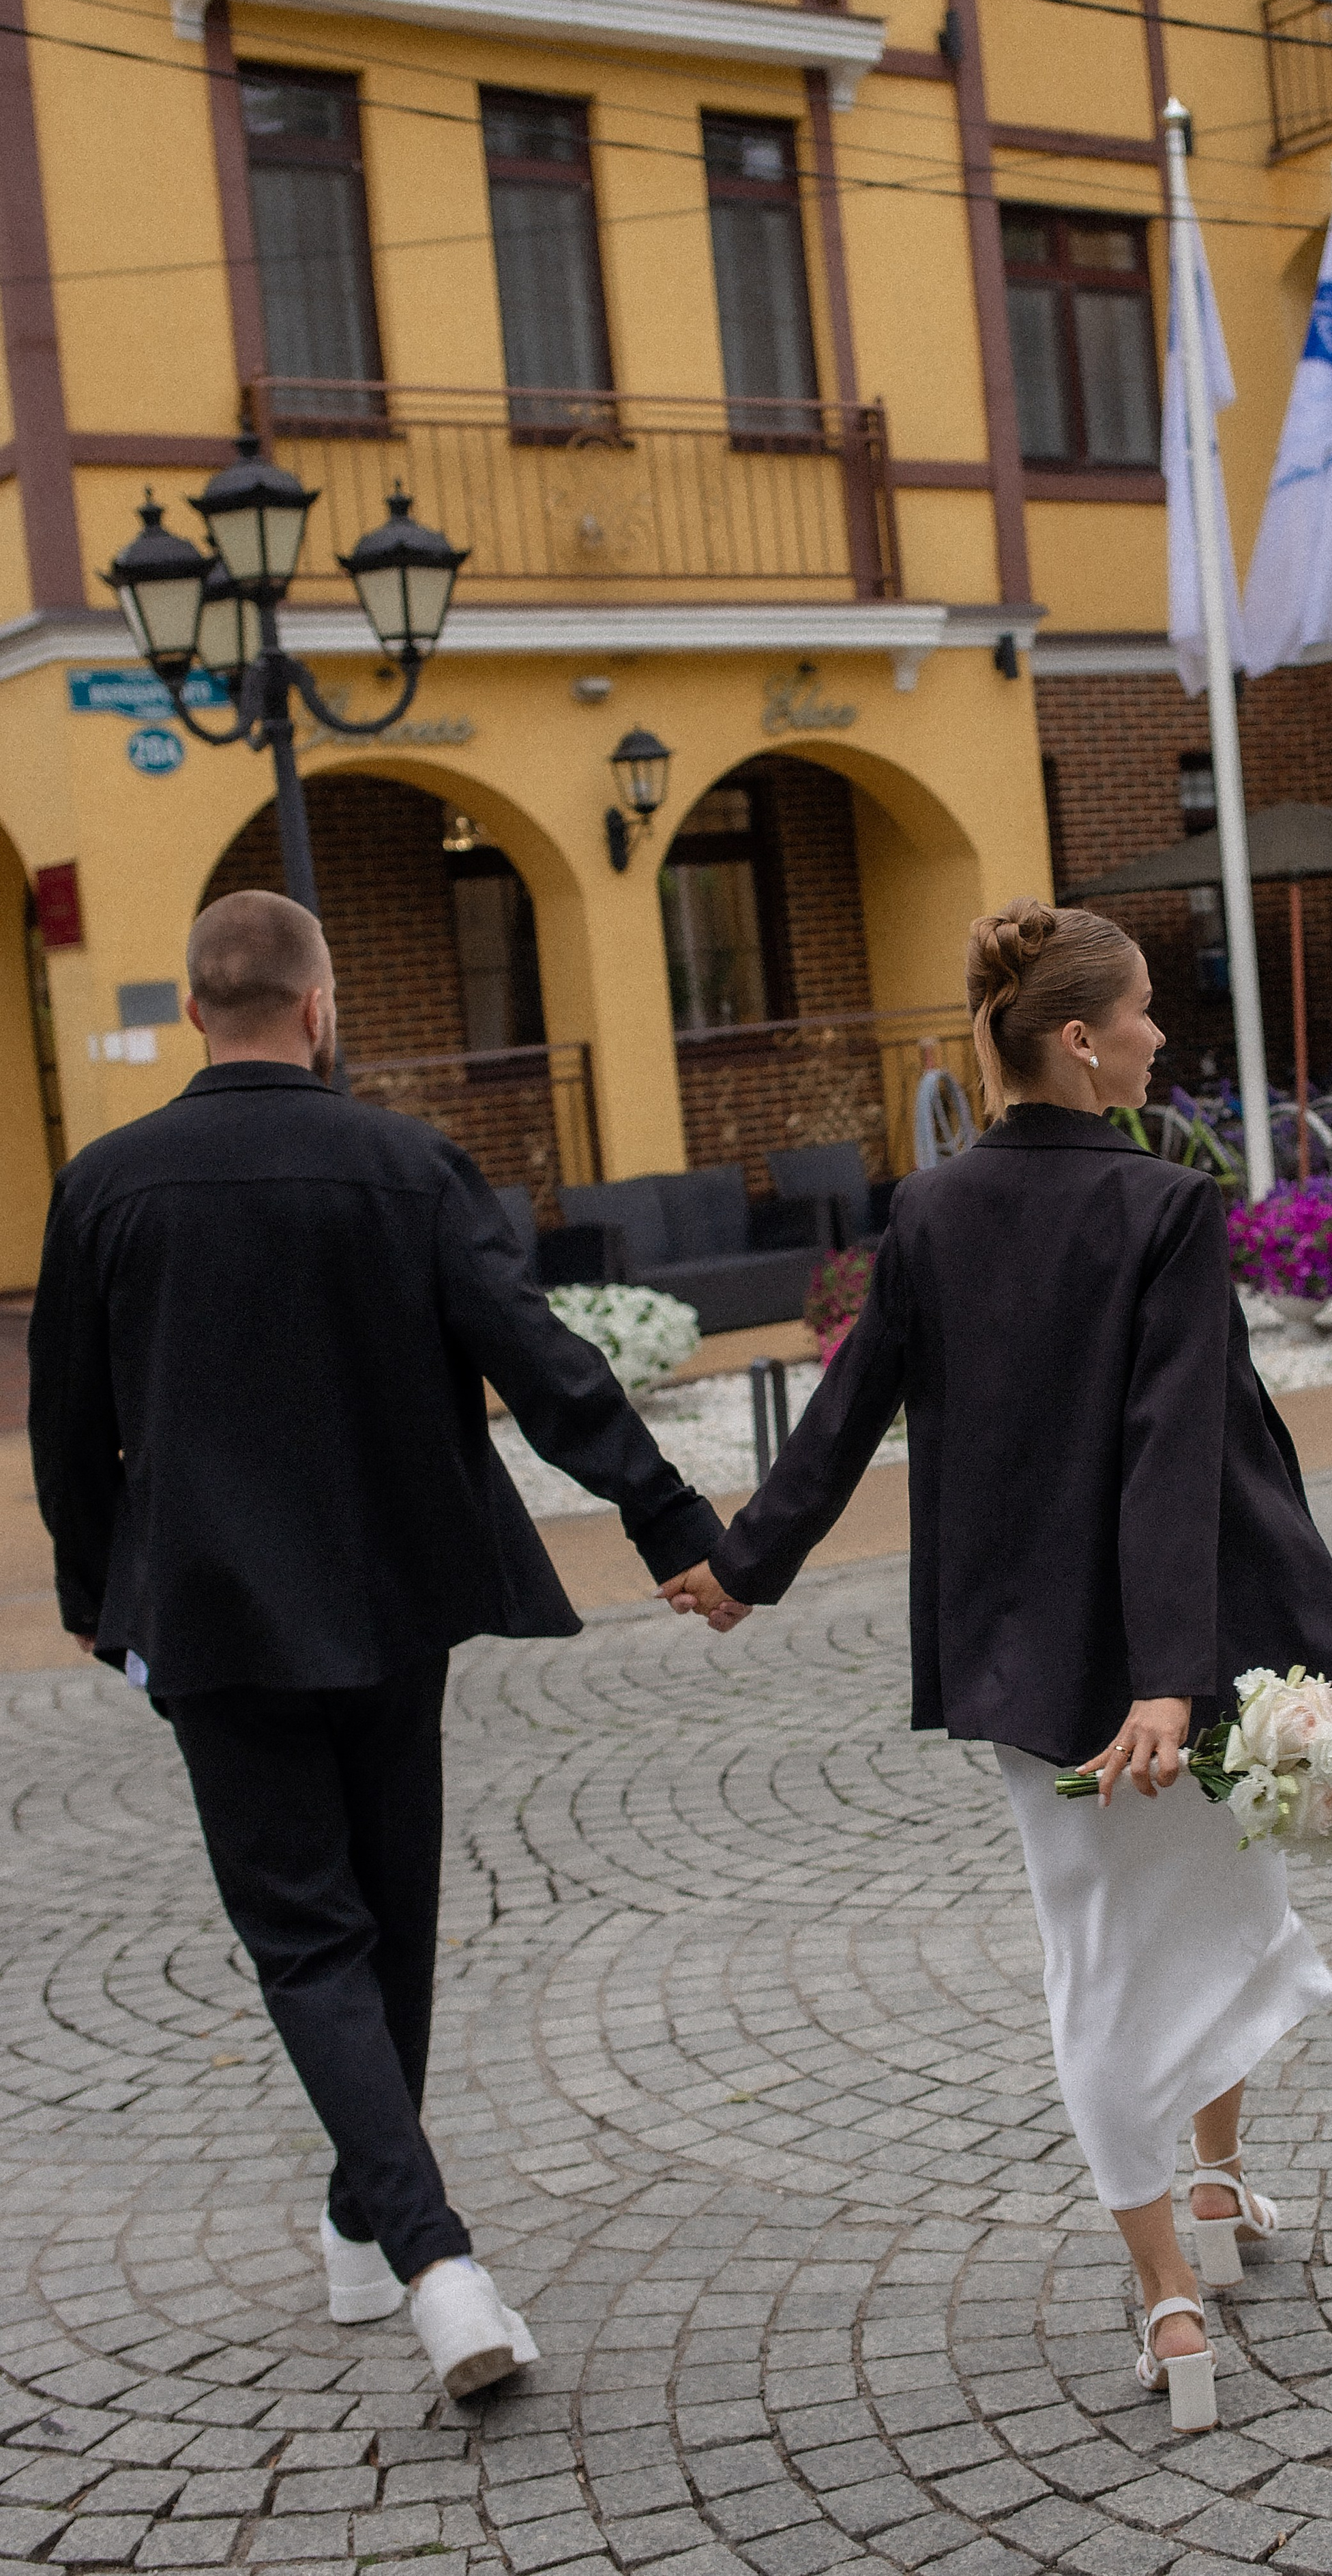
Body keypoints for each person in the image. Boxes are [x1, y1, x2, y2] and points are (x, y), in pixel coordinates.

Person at [662, 898, 1332, 2433]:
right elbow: (1166, 1457)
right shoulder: (1163, 1207)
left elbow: (847, 1406)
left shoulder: (927, 1209)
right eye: (1137, 1016)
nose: (1155, 1036)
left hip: (1023, 1661)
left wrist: (747, 1564)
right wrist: (1170, 1683)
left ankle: (1195, 2225)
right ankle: (1175, 2279)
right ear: (1075, 1040)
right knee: (1187, 1931)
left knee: (1122, 1947)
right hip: (1172, 1662)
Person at [29, 890, 725, 2402]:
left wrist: (95, 1589)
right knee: (380, 1914)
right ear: (319, 1006)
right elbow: (534, 1353)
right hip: (392, 1592)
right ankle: (426, 2254)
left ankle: (386, 2235)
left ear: (196, 1013)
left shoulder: (105, 1183)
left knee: (312, 1933)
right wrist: (667, 1518)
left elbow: (70, 1423)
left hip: (207, 1605)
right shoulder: (403, 1163)